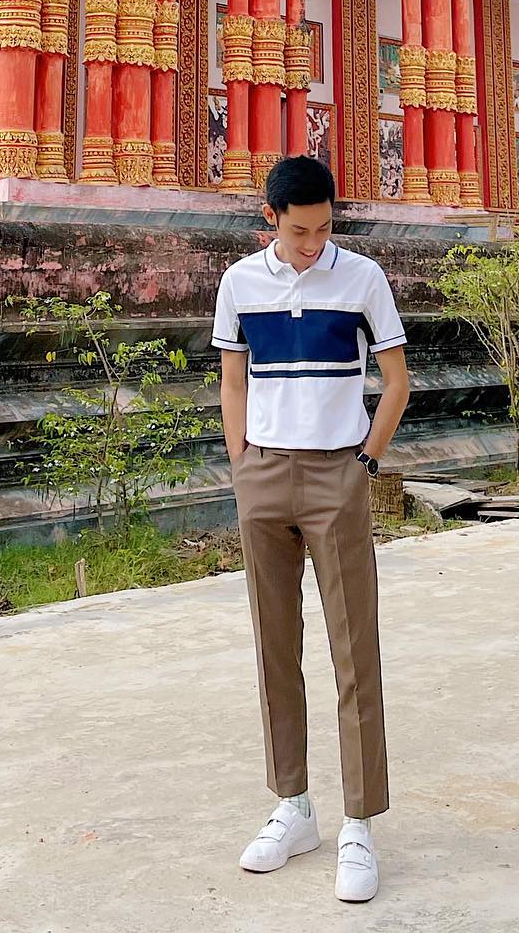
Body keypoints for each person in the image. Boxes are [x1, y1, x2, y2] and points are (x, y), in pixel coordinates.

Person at [213, 155, 410, 903]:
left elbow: (396, 380)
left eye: (325, 228)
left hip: (337, 473)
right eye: (299, 231)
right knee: (275, 648)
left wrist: (364, 461)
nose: (312, 244)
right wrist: (241, 465)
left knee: (353, 650)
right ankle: (292, 806)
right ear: (271, 219)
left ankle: (359, 823)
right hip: (262, 473)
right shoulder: (240, 284)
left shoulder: (360, 278)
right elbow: (234, 379)